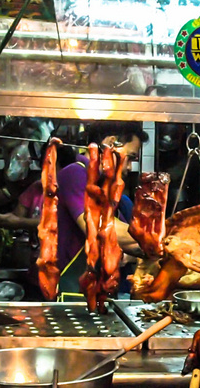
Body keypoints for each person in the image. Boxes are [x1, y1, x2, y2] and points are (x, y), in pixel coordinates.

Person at [50, 122, 147, 297]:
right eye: (130, 157)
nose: (130, 167)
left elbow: (127, 240)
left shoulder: (106, 185)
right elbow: (97, 226)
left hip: (100, 291)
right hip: (72, 294)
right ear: (111, 143)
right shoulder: (75, 174)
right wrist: (158, 237)